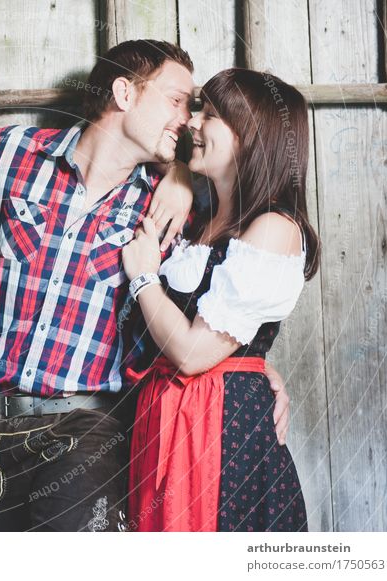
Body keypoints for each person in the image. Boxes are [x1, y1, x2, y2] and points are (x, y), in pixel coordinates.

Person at [0, 30, 290, 532]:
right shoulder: (13, 154)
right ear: (124, 94)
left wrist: (258, 371)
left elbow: (226, 303)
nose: (187, 119)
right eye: (177, 100)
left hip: (89, 427)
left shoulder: (166, 210)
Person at [121, 68, 320, 532]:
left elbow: (193, 354)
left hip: (221, 435)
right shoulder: (200, 220)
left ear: (250, 136)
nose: (192, 122)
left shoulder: (274, 228)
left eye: (209, 114)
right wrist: (176, 173)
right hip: (168, 424)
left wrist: (144, 277)